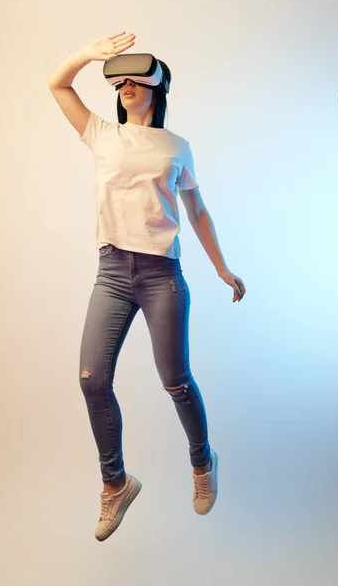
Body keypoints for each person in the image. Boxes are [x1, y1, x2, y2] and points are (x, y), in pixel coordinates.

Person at [48, 31, 246, 542]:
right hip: (112, 271)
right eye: (120, 79)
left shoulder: (177, 146)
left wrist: (223, 269)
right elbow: (58, 84)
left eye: (138, 77)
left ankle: (203, 462)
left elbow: (197, 211)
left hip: (161, 275)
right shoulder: (100, 133)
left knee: (175, 380)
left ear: (157, 86)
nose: (127, 85)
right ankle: (115, 483)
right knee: (92, 379)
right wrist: (90, 55)